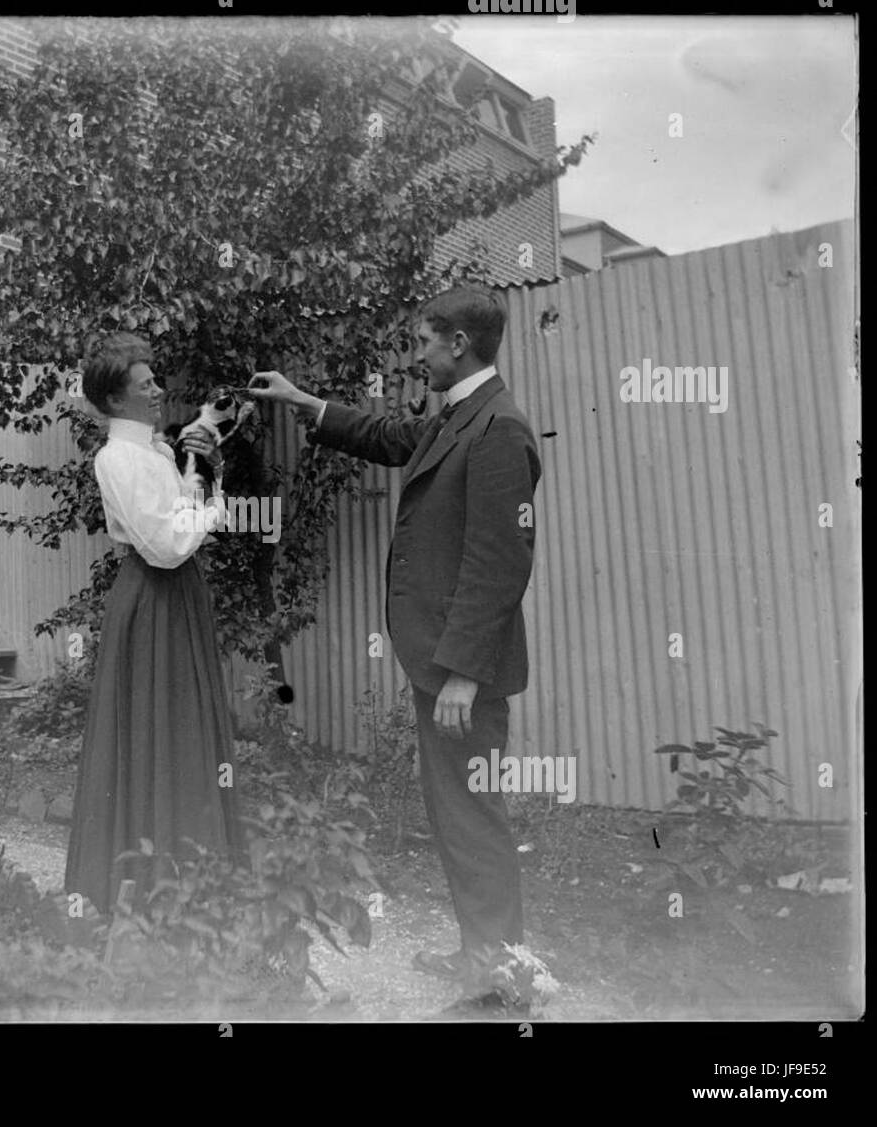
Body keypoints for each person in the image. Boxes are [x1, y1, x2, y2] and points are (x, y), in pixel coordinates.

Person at [248, 284, 541, 1015]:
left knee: (471, 813)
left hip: (458, 670)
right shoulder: (458, 419)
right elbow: (383, 435)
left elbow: (500, 561)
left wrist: (465, 676)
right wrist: (301, 399)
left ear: (459, 345)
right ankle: (482, 952)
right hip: (438, 660)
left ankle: (502, 980)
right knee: (454, 811)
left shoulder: (499, 429)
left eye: (423, 342)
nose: (416, 354)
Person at [64, 333, 242, 916]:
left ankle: (187, 879)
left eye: (155, 380)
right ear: (116, 402)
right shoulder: (116, 458)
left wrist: (201, 461)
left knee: (182, 728)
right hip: (153, 597)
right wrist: (217, 510)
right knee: (154, 730)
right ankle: (145, 887)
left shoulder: (156, 452)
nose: (159, 389)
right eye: (145, 386)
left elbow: (176, 511)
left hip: (178, 597)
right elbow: (167, 544)